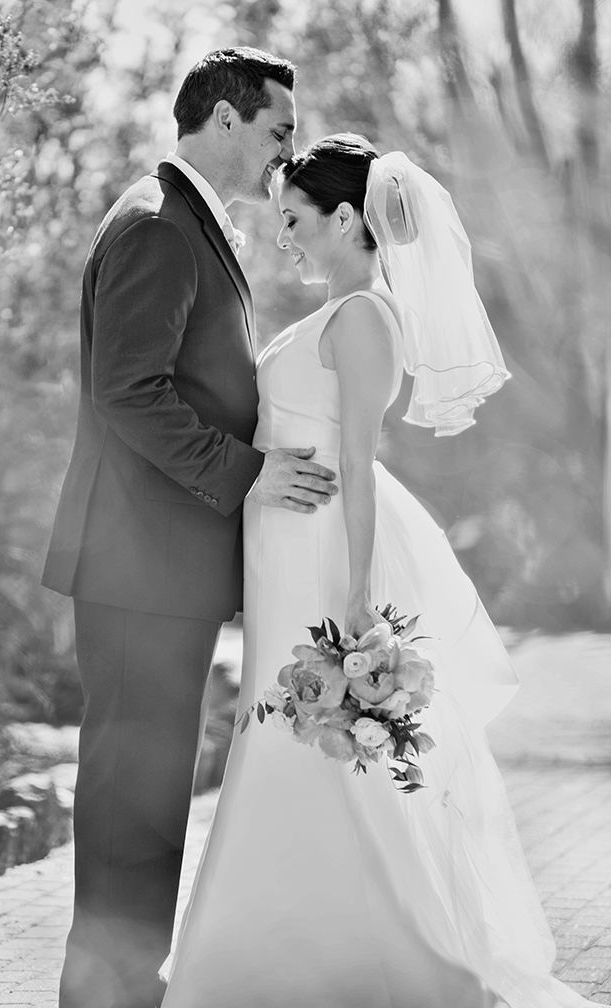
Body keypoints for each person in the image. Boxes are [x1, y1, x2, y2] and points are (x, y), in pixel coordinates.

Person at [159, 135, 609, 1007]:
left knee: (316, 739)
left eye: (294, 218)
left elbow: (357, 462)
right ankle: (269, 948)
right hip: (283, 547)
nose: (284, 234)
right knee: (282, 733)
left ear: (344, 217)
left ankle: (385, 954)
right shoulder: (330, 313)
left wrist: (358, 591)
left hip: (325, 549)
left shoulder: (364, 317)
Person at [41, 48, 339, 1008]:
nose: (286, 154)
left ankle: (124, 984)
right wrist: (248, 475)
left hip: (156, 566)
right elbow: (128, 390)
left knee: (153, 788)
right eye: (278, 130)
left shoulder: (183, 224)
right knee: (133, 790)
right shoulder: (161, 229)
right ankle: (105, 992)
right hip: (137, 566)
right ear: (222, 118)